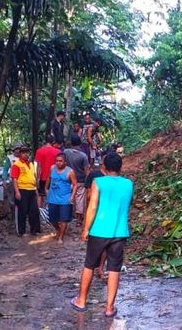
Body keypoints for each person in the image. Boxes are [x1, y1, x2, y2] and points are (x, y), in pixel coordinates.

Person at [70, 152, 133, 318]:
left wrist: (85, 229)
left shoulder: (98, 182)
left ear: (104, 167)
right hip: (119, 232)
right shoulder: (128, 184)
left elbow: (92, 207)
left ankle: (81, 300)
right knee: (114, 269)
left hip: (98, 231)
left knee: (89, 264)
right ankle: (110, 308)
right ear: (120, 167)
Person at [46, 153, 77, 244]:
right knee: (52, 218)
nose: (58, 163)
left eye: (60, 161)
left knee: (64, 218)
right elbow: (49, 178)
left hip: (65, 198)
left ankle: (61, 237)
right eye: (57, 161)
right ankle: (58, 229)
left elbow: (75, 184)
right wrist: (46, 188)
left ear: (65, 162)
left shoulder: (70, 172)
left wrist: (72, 196)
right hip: (53, 197)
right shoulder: (52, 168)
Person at [10, 145, 41, 236]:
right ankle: (21, 231)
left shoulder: (31, 164)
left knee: (34, 210)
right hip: (22, 190)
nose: (26, 154)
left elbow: (33, 177)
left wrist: (36, 189)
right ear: (20, 154)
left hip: (32, 189)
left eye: (27, 152)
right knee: (22, 211)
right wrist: (17, 192)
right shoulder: (17, 165)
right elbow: (14, 179)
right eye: (23, 153)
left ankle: (34, 230)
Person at [64, 135, 90, 224]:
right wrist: (88, 181)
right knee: (79, 198)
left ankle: (67, 216)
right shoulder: (83, 156)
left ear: (71, 143)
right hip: (80, 180)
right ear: (80, 143)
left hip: (68, 179)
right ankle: (79, 219)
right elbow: (87, 170)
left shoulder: (66, 152)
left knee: (69, 196)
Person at [34, 135, 61, 208]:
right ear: (53, 141)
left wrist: (37, 178)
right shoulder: (58, 152)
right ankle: (51, 213)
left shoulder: (39, 151)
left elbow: (38, 166)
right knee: (54, 195)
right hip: (54, 177)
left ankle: (39, 213)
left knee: (40, 196)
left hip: (42, 177)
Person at [2, 144, 21, 212]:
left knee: (21, 199)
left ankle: (20, 214)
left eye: (19, 149)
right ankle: (13, 214)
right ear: (14, 150)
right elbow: (5, 169)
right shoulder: (10, 158)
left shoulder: (24, 157)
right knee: (12, 200)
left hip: (22, 182)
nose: (18, 151)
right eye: (16, 149)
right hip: (12, 181)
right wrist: (4, 179)